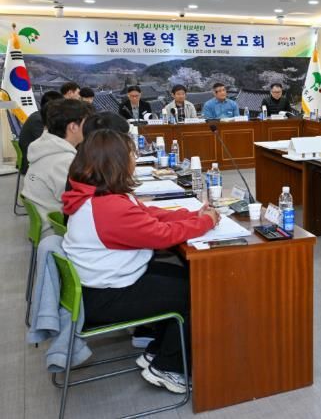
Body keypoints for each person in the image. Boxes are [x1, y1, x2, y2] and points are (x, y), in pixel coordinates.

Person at [62, 129, 219, 394]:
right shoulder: (108, 207)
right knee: (198, 291)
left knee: (185, 277)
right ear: (116, 162)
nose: (134, 159)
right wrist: (205, 222)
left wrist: (192, 215)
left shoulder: (97, 195)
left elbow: (148, 215)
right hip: (106, 296)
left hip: (105, 283)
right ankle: (169, 368)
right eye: (131, 154)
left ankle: (158, 350)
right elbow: (162, 235)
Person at [22, 99, 94, 236]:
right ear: (73, 127)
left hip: (49, 221)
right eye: (87, 123)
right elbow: (86, 204)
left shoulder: (44, 147)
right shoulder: (63, 161)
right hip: (58, 230)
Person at [18, 90, 63, 174]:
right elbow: (45, 143)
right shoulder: (38, 119)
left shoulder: (43, 116)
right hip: (34, 161)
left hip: (43, 157)